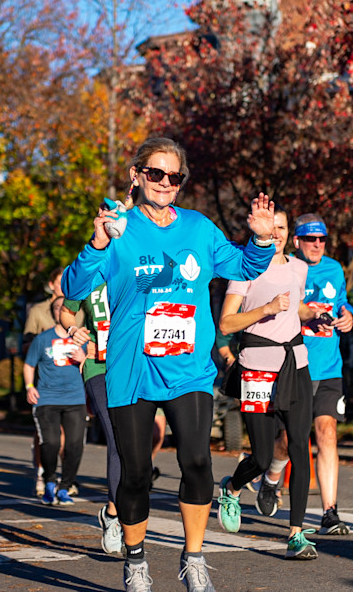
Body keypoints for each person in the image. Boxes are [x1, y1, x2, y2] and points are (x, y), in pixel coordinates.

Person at [62, 137, 276, 592]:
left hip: (188, 368)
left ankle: (194, 559)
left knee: (197, 461)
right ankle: (136, 561)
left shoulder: (199, 229)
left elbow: (243, 265)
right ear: (137, 175)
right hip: (131, 368)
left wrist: (260, 237)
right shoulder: (119, 228)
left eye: (173, 176)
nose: (164, 183)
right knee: (136, 472)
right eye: (155, 173)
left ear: (181, 183)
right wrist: (98, 242)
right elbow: (74, 287)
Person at [216, 205, 320, 559]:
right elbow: (227, 325)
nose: (276, 233)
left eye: (281, 227)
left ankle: (296, 534)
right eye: (271, 227)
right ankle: (231, 488)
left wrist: (313, 315)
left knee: (299, 449)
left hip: (296, 364)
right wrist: (265, 309)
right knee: (261, 458)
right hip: (256, 368)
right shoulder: (245, 269)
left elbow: (295, 308)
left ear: (289, 233)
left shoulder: (299, 267)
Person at [258, 213, 353, 536]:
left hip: (329, 367)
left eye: (322, 239)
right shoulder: (287, 270)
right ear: (297, 241)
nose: (317, 245)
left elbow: (341, 302)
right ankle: (272, 478)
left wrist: (348, 315)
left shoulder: (334, 269)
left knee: (327, 431)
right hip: (293, 367)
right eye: (310, 239)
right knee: (289, 440)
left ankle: (330, 511)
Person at [61, 282, 125, 553]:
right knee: (115, 436)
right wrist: (74, 330)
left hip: (133, 361)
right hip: (98, 363)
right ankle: (115, 517)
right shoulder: (88, 271)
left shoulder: (137, 263)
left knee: (137, 442)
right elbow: (66, 311)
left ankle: (113, 511)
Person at [24, 297, 87, 506]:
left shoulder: (83, 339)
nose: (62, 310)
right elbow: (29, 365)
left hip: (76, 398)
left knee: (75, 445)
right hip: (47, 399)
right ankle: (49, 481)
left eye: (65, 307)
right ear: (54, 313)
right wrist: (29, 387)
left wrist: (83, 357)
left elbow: (94, 364)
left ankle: (65, 487)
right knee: (50, 443)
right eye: (57, 308)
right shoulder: (42, 339)